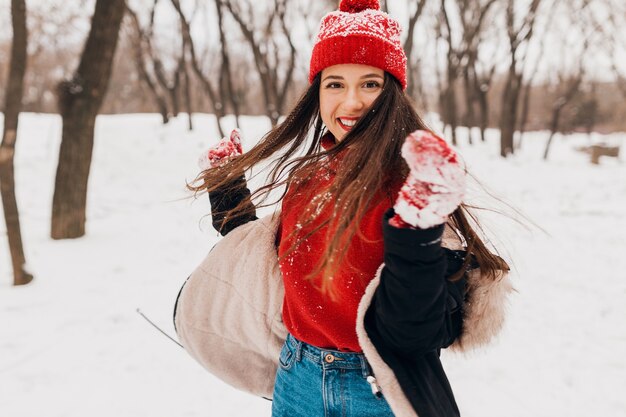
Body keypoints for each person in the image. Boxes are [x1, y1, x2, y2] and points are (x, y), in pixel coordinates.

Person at [174, 1, 512, 416]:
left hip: (377, 389)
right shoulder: (305, 180)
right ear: (317, 93)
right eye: (335, 84)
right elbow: (272, 265)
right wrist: (228, 193)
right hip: (297, 378)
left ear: (392, 93)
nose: (350, 101)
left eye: (369, 84)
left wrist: (416, 228)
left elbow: (418, 333)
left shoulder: (417, 186)